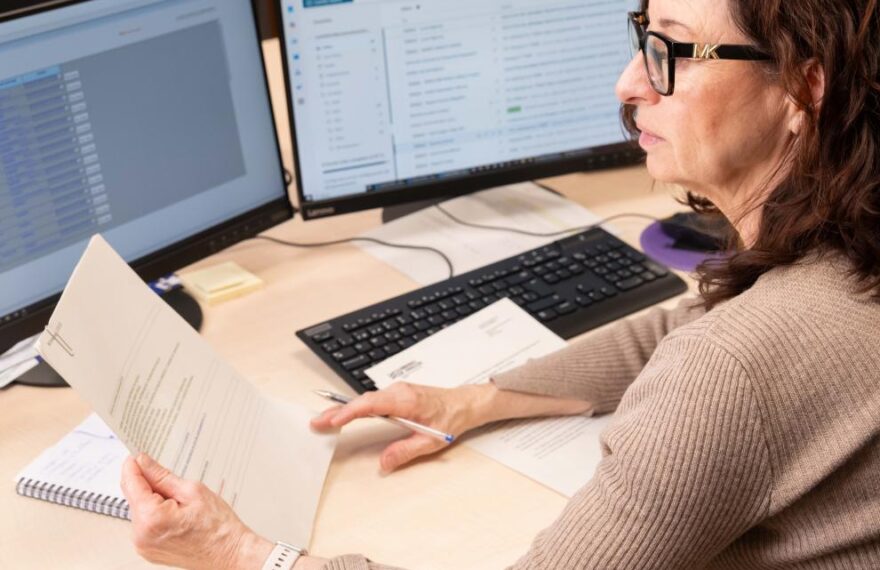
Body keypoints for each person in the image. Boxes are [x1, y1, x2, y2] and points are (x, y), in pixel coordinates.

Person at [120, 0, 880, 567]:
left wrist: (245, 553)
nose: (628, 83)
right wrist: (474, 400)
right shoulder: (840, 255)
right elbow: (692, 322)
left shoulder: (737, 367)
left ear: (803, 88)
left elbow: (724, 360)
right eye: (642, 36)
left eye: (672, 51)